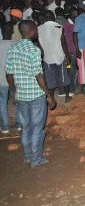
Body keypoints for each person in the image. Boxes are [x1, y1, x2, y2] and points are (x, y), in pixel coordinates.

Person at [5, 20, 56, 167]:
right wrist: (49, 95)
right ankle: (36, 160)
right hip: (35, 95)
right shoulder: (34, 50)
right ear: (30, 31)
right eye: (35, 30)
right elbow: (39, 76)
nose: (37, 32)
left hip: (21, 95)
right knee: (37, 128)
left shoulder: (13, 48)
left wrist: (15, 91)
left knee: (26, 127)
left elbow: (9, 74)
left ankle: (27, 156)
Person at [38, 11, 72, 103]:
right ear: (53, 17)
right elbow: (63, 43)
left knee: (50, 80)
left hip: (47, 57)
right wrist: (67, 56)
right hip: (59, 56)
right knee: (64, 77)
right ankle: (67, 97)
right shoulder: (59, 27)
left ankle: (51, 98)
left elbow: (39, 44)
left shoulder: (39, 28)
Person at [0, 23, 18, 133]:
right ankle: (20, 124)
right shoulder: (17, 44)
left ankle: (5, 127)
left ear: (1, 32)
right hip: (15, 79)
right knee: (18, 101)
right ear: (12, 32)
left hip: (1, 80)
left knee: (2, 103)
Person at [63, 7, 80, 93]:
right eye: (75, 13)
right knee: (71, 70)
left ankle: (73, 87)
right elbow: (65, 40)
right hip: (70, 50)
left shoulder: (75, 23)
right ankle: (71, 89)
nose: (77, 15)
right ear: (71, 14)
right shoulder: (67, 24)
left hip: (75, 50)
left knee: (76, 69)